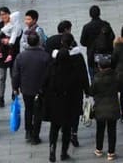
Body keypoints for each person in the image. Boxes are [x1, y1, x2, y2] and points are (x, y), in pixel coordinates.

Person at [44, 33, 90, 162]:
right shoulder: (77, 58)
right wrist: (87, 90)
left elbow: (47, 78)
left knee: (54, 126)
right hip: (71, 98)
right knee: (66, 127)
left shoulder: (55, 59)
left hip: (55, 99)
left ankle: (52, 149)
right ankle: (64, 152)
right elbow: (83, 75)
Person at [13, 32, 50, 144]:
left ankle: (28, 131)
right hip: (41, 89)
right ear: (38, 42)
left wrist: (15, 87)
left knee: (28, 110)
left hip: (26, 88)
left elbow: (15, 74)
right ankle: (35, 135)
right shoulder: (45, 56)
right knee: (38, 112)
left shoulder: (21, 56)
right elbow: (49, 73)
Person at [89, 53, 123, 160]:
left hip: (100, 107)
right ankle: (111, 153)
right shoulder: (116, 76)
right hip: (113, 106)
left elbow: (91, 92)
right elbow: (121, 88)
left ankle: (99, 150)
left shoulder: (96, 78)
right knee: (112, 130)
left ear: (99, 67)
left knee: (100, 129)